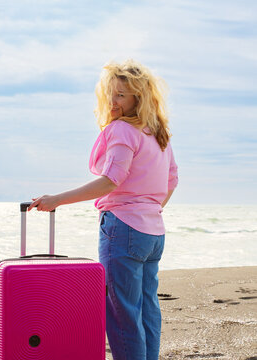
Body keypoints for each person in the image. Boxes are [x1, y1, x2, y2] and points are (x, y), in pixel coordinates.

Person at [29, 59, 178, 360]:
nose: (113, 100)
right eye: (112, 93)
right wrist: (147, 209)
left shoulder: (123, 129)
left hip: (123, 229)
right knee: (147, 306)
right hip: (153, 233)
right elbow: (172, 180)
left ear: (139, 96)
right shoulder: (157, 134)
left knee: (122, 311)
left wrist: (57, 199)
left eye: (121, 94)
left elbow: (110, 180)